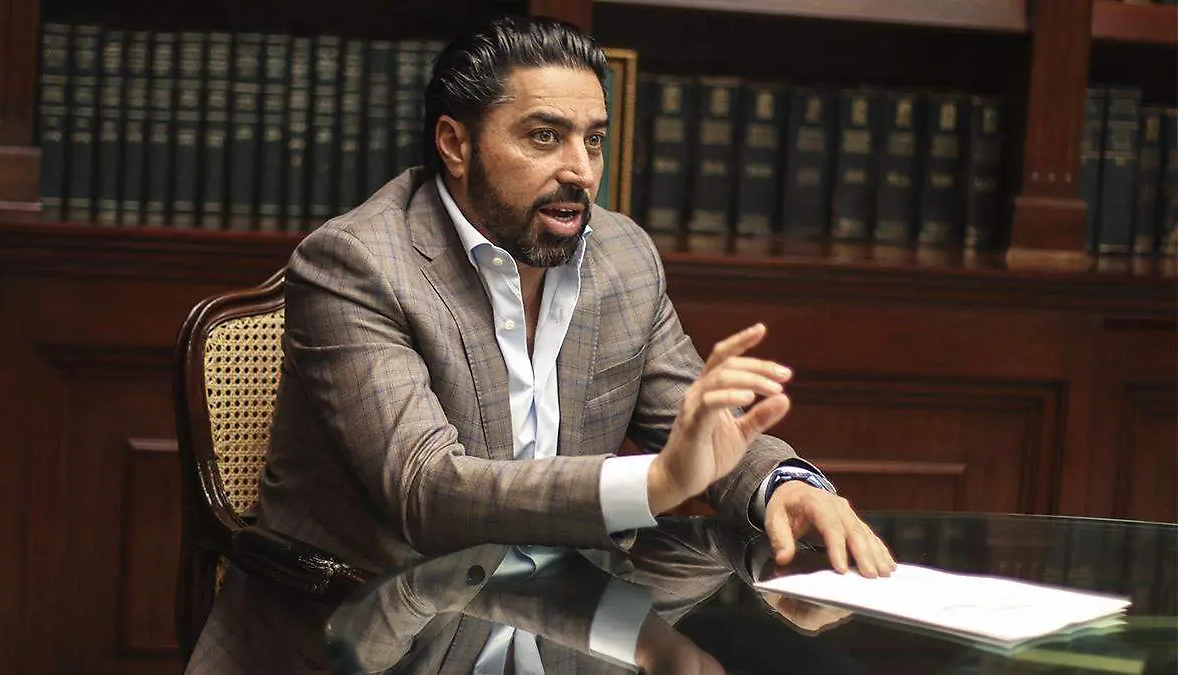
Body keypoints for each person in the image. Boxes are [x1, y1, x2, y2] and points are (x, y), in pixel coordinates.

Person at [186, 14, 893, 673]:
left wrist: (782, 484)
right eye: (545, 137)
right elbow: (427, 492)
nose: (581, 171)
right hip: (380, 639)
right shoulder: (357, 264)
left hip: (570, 625)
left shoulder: (621, 255)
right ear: (455, 144)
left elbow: (698, 425)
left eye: (594, 139)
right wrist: (652, 484)